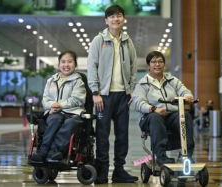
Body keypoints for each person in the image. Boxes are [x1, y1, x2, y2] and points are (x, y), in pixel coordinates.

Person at [87, 4, 138, 184]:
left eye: (119, 16)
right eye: (112, 16)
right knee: (102, 134)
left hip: (123, 95)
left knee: (122, 135)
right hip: (104, 96)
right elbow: (91, 68)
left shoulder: (127, 41)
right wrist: (95, 92)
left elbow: (133, 67)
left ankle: (119, 170)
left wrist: (131, 89)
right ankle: (102, 170)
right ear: (106, 20)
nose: (116, 19)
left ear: (123, 19)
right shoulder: (98, 40)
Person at [132, 51, 195, 166]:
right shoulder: (142, 84)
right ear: (148, 65)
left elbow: (183, 90)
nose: (157, 64)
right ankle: (160, 156)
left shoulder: (172, 80)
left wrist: (188, 96)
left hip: (170, 116)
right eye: (154, 62)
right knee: (155, 117)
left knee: (185, 116)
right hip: (149, 117)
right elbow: (138, 103)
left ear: (164, 65)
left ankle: (188, 154)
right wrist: (153, 108)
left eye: (160, 61)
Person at [31, 50, 86, 161]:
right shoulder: (51, 80)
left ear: (75, 64)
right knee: (55, 119)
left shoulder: (78, 81)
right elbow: (45, 100)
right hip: (54, 113)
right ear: (59, 64)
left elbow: (77, 100)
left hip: (73, 113)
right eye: (63, 62)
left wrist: (61, 105)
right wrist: (53, 106)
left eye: (69, 62)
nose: (66, 65)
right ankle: (43, 151)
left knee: (70, 122)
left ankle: (55, 151)